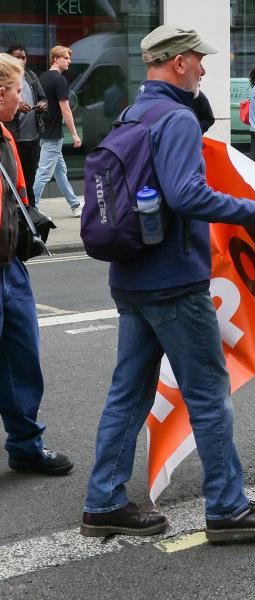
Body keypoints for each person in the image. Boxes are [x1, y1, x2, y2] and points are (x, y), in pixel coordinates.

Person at [81, 25, 255, 542]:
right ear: (177, 63)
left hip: (131, 278)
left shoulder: (134, 113)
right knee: (208, 393)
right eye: (198, 61)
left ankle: (103, 500)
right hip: (174, 283)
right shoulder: (173, 118)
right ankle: (227, 507)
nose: (202, 68)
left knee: (128, 394)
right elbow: (187, 195)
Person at [0, 53, 73, 476]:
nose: (20, 97)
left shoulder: (7, 137)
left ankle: (26, 446)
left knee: (22, 360)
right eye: (14, 90)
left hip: (11, 267)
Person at [34, 45, 82, 217]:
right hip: (53, 134)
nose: (69, 61)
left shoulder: (43, 78)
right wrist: (75, 134)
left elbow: (40, 105)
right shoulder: (60, 80)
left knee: (60, 171)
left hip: (44, 132)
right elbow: (66, 109)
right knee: (43, 173)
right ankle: (31, 208)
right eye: (66, 58)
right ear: (56, 59)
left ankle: (75, 204)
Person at [4, 44, 47, 209]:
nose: (21, 60)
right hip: (14, 137)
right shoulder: (6, 79)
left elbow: (43, 98)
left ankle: (31, 210)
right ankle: (19, 210)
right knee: (15, 178)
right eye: (16, 57)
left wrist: (41, 104)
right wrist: (17, 107)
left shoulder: (31, 76)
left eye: (23, 57)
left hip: (32, 137)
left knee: (30, 178)